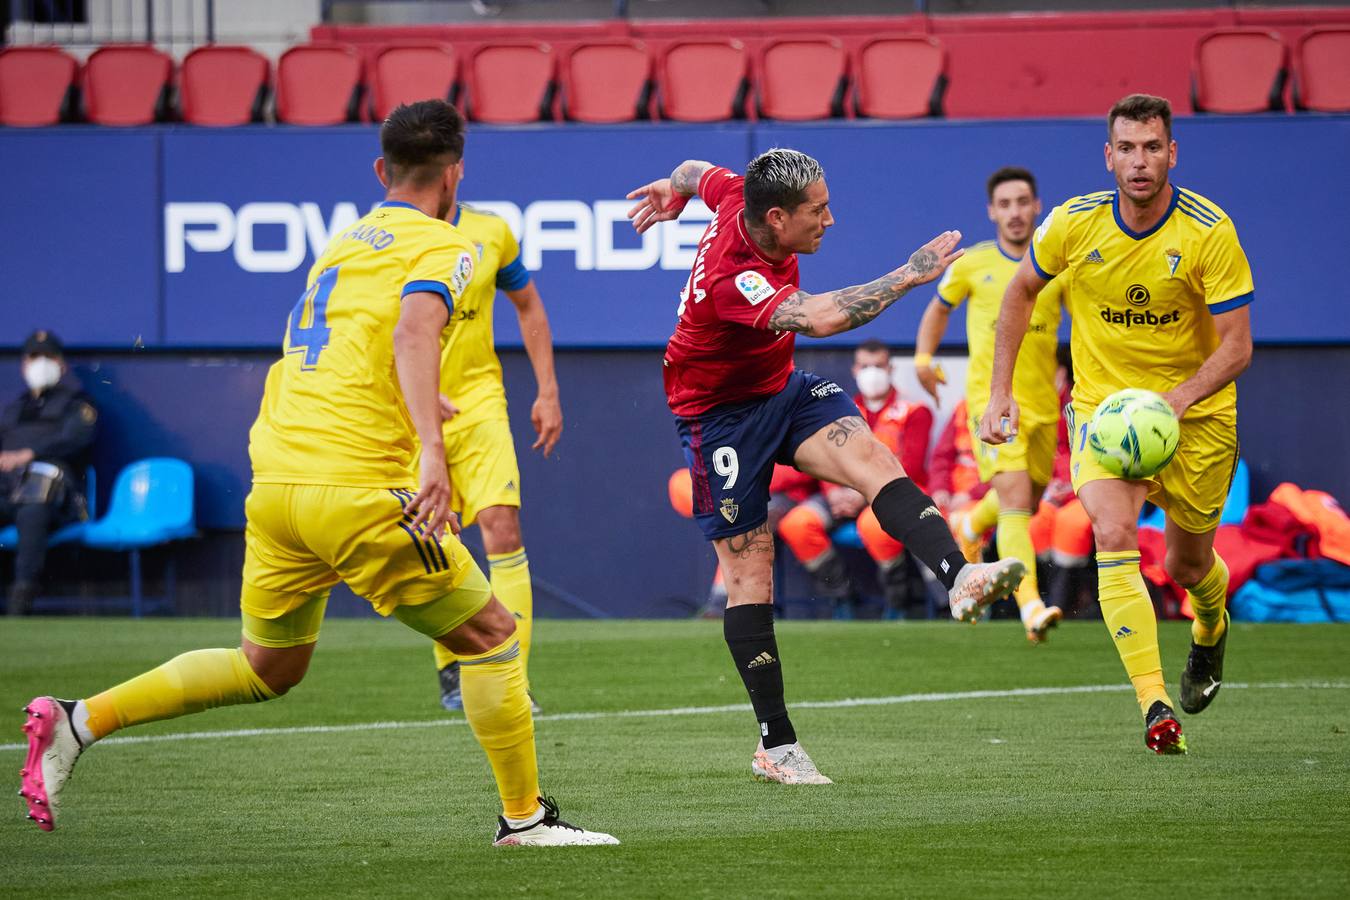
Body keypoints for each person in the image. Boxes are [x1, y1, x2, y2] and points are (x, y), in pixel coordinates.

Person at [19, 100, 617, 846]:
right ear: (456, 173)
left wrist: (417, 395)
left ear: (380, 171)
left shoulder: (339, 244)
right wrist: (432, 449)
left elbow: (358, 343)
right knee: (494, 636)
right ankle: (524, 820)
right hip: (358, 489)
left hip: (275, 485)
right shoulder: (447, 242)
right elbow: (413, 327)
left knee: (266, 667)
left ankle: (79, 721)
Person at [626, 149, 1026, 785]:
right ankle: (776, 746)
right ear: (777, 218)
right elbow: (822, 317)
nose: (831, 220)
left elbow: (692, 170)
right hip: (718, 419)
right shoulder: (735, 277)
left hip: (779, 391)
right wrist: (910, 274)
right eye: (819, 210)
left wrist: (674, 192)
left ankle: (959, 577)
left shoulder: (736, 193)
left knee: (873, 457)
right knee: (749, 572)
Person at [981, 94, 1253, 755]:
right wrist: (999, 394)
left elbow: (1237, 345)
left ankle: (1210, 630)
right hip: (1104, 413)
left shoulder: (1208, 231)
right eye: (1126, 148)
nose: (1140, 161)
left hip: (1198, 421)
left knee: (1188, 568)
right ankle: (1155, 705)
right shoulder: (1073, 225)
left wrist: (1179, 400)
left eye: (1152, 147)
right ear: (1108, 156)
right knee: (1112, 529)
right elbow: (1020, 291)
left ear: (1172, 154)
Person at [913, 167, 1065, 644]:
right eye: (1005, 204)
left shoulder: (1058, 268)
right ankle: (1031, 609)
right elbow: (938, 308)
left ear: (1037, 206)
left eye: (1023, 202)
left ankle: (970, 525)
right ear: (992, 211)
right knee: (1019, 501)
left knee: (1030, 497)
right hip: (992, 400)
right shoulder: (972, 264)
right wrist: (922, 358)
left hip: (1044, 406)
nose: (1015, 212)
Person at [431, 194, 563, 715]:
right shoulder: (387, 236)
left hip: (479, 403)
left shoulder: (492, 231)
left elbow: (528, 304)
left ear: (456, 167)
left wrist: (547, 390)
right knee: (438, 536)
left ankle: (513, 680)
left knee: (501, 526)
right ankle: (451, 664)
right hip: (414, 411)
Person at [777, 340, 933, 617]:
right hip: (840, 495)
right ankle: (841, 598)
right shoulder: (839, 409)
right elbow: (823, 455)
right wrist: (832, 492)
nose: (872, 372)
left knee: (875, 526)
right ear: (854, 369)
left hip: (886, 495)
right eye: (865, 366)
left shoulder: (914, 411)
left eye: (878, 365)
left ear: (890, 368)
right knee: (797, 524)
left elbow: (909, 464)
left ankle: (899, 604)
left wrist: (863, 494)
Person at [1, 330, 97, 616]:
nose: (40, 362)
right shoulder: (14, 409)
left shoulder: (78, 403)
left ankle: (22, 597)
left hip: (54, 496)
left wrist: (29, 454)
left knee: (34, 505)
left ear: (61, 363)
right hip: (8, 490)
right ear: (23, 364)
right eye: (34, 356)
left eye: (48, 356)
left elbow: (76, 439)